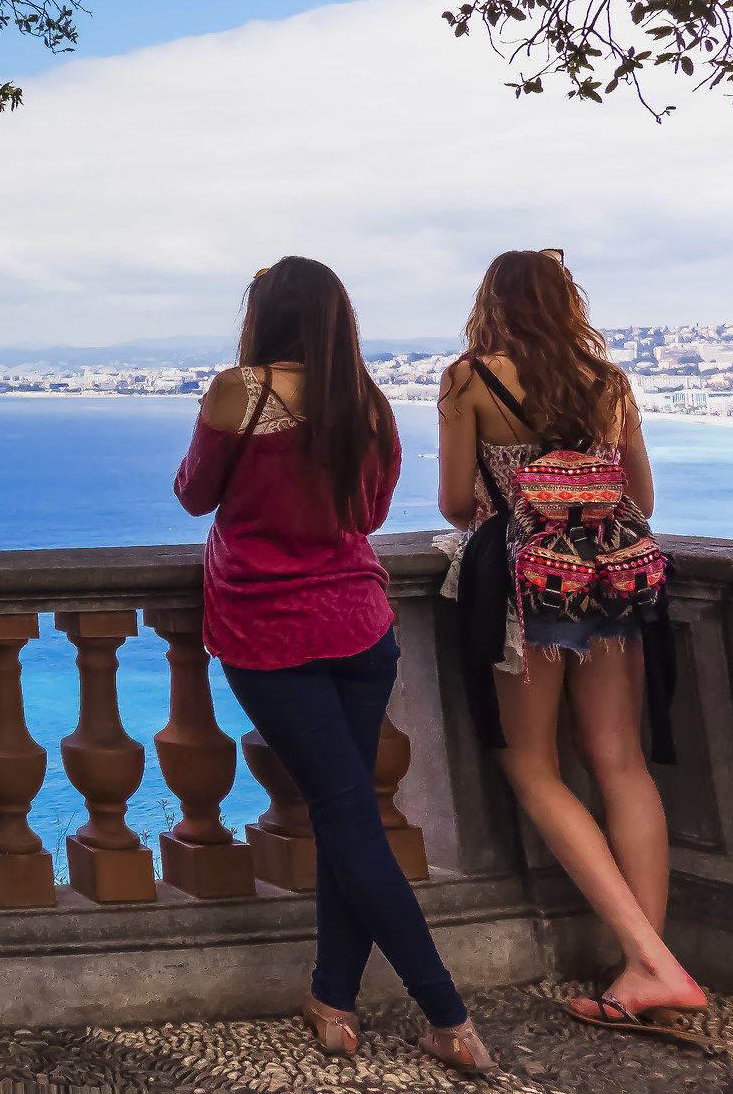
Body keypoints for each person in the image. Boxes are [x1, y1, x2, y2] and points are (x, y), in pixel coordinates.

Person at [176, 258, 493, 1075]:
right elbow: (371, 512)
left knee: (346, 819)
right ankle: (334, 1001)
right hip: (361, 628)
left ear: (264, 317)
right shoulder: (370, 404)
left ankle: (449, 1015)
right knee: (345, 814)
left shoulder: (238, 392)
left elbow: (193, 492)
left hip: (271, 634)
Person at [438, 249, 706, 1042]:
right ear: (568, 303)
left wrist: (512, 491)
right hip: (616, 582)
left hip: (528, 586)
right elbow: (642, 498)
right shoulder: (610, 381)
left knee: (531, 765)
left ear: (491, 302)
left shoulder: (468, 380)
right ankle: (645, 964)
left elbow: (457, 503)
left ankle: (650, 961)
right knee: (619, 763)